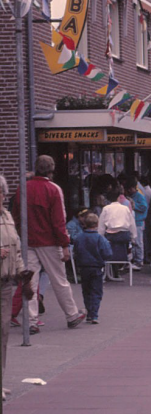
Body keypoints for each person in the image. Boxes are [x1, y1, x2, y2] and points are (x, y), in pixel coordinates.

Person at [10, 155, 86, 332]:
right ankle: (71, 314)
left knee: (30, 281)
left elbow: (16, 215)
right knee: (59, 279)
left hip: (28, 240)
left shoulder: (23, 189)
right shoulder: (54, 189)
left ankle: (31, 321)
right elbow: (59, 220)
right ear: (52, 170)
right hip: (50, 242)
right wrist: (65, 244)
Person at [1, 174, 29, 400]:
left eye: (1, 193)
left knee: (3, 333)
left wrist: (21, 272)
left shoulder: (7, 216)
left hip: (5, 283)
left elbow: (17, 248)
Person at [74, 213, 112, 324]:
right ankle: (94, 314)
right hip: (96, 267)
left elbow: (76, 252)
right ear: (96, 224)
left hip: (84, 267)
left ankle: (89, 312)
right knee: (96, 291)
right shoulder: (100, 238)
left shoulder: (79, 237)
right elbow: (107, 253)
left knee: (86, 290)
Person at [98, 186, 136, 281]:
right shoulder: (125, 208)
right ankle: (119, 268)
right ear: (118, 197)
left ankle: (109, 271)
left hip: (110, 236)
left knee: (109, 250)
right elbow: (132, 223)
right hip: (124, 235)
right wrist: (133, 236)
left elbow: (101, 225)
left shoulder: (106, 209)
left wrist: (100, 237)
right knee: (121, 249)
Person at [126, 179, 148, 270]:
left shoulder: (139, 196)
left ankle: (139, 261)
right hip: (133, 222)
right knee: (134, 242)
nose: (130, 190)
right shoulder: (131, 196)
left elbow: (144, 207)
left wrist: (133, 206)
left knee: (138, 242)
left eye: (131, 188)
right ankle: (135, 260)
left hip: (139, 222)